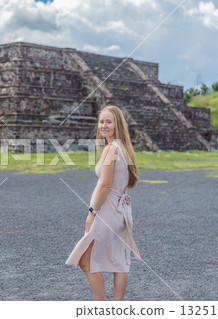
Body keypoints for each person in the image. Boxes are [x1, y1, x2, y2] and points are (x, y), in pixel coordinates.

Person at [65, 105, 141, 301]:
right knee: (120, 262)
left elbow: (105, 185)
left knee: (85, 261)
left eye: (109, 122)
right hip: (120, 211)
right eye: (101, 122)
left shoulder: (111, 149)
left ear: (118, 125)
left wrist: (92, 212)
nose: (104, 126)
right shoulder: (123, 148)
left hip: (107, 210)